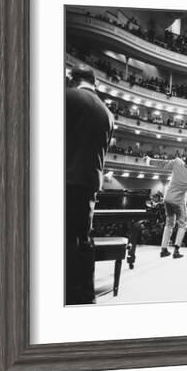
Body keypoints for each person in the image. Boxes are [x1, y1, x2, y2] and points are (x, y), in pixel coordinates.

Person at [65, 64, 114, 305]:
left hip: (65, 178)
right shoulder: (107, 113)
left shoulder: (68, 96)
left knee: (63, 240)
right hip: (89, 183)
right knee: (81, 239)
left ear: (73, 79)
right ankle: (84, 294)